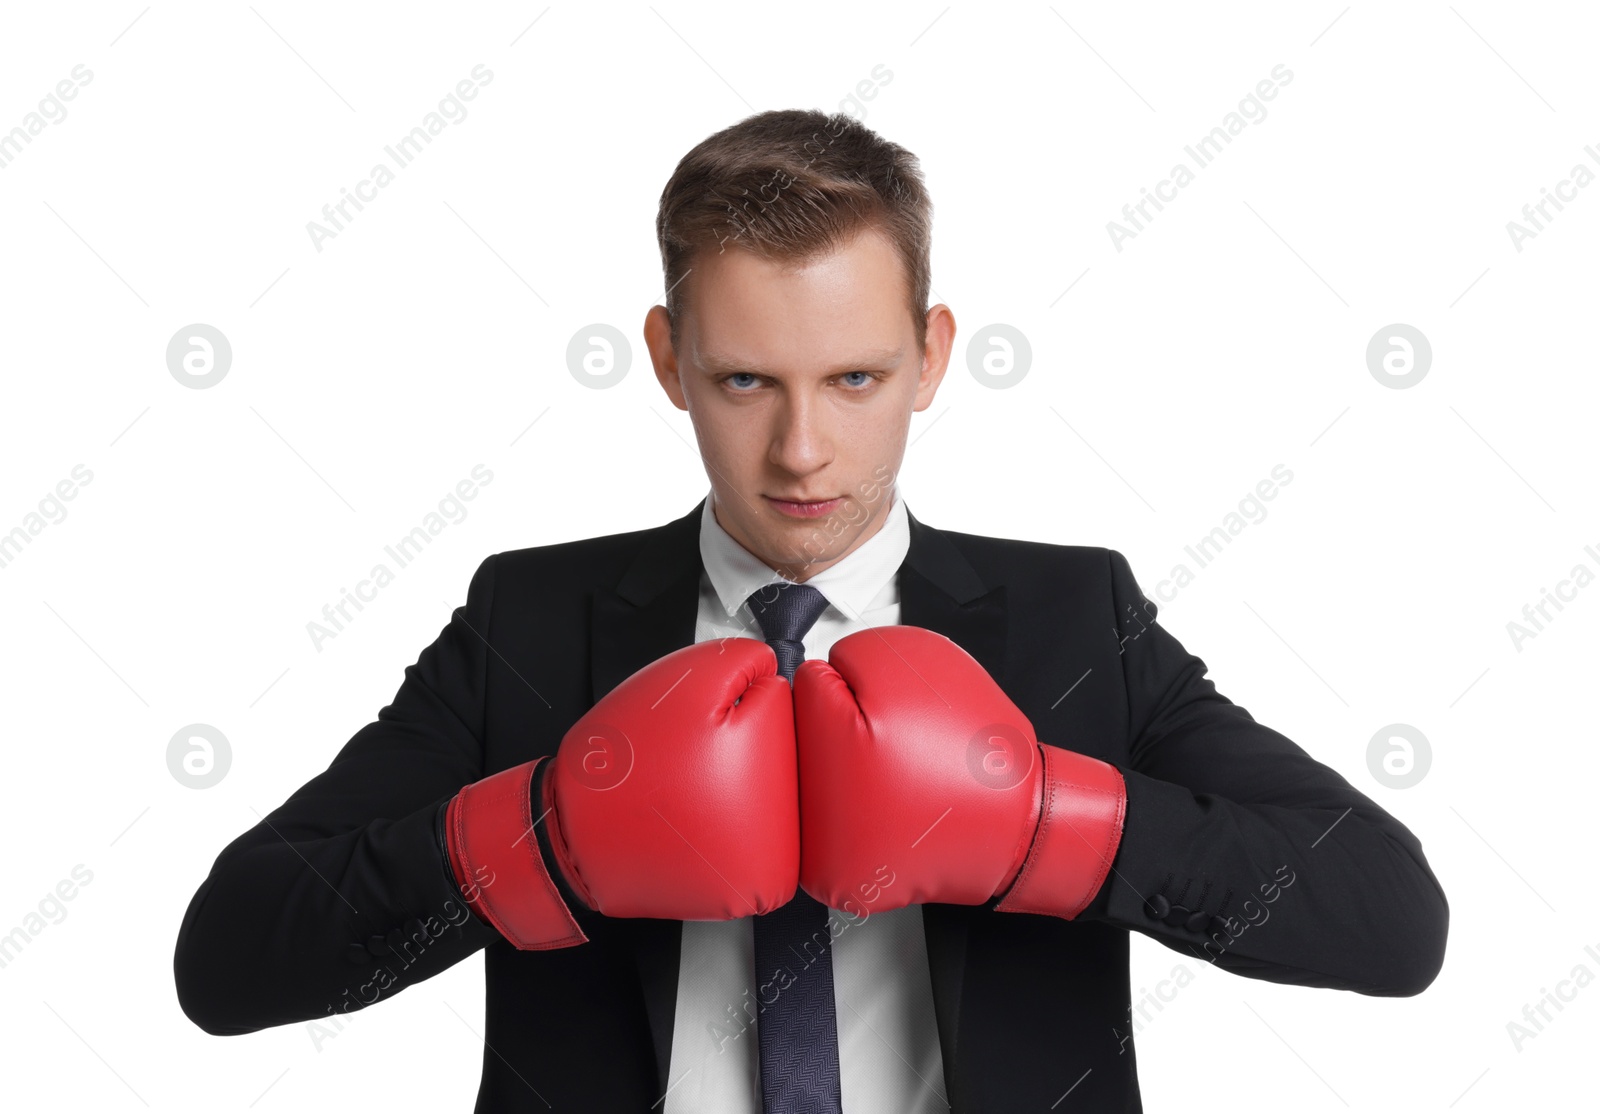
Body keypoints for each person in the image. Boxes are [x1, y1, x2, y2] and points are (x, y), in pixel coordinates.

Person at [174, 109, 1448, 1113]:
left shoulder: (1071, 617)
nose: (801, 449)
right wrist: (540, 839)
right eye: (743, 379)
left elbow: (1389, 918)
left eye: (854, 377)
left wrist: (1045, 822)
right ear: (669, 360)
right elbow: (229, 958)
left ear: (933, 355)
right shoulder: (534, 617)